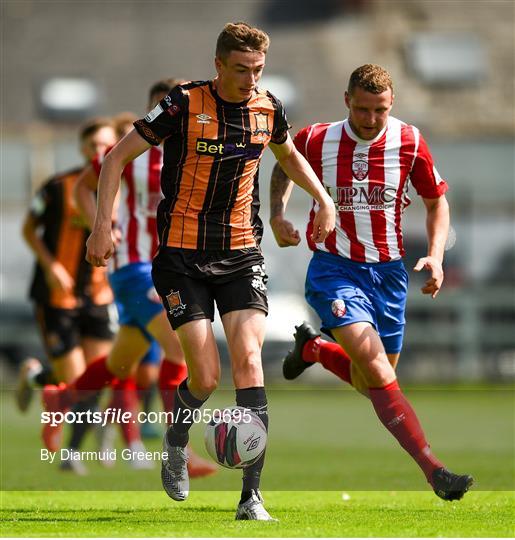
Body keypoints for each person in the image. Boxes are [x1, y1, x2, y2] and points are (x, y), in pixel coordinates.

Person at [44, 22, 335, 520]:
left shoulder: (269, 108)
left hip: (242, 254)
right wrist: (99, 229)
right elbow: (113, 159)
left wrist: (322, 200)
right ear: (218, 65)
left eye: (259, 70)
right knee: (203, 375)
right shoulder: (182, 103)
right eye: (241, 69)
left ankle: (251, 497)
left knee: (249, 362)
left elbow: (290, 156)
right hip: (181, 258)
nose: (250, 79)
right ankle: (175, 440)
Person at [269, 64, 473, 501]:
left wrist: (436, 258)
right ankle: (434, 470)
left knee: (371, 380)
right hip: (335, 270)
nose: (370, 118)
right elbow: (283, 161)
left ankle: (314, 349)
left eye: (379, 110)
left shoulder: (410, 140)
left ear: (391, 104)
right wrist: (278, 213)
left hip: (389, 275)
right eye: (362, 109)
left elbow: (438, 204)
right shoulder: (316, 138)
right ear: (347, 101)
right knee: (377, 368)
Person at [70, 79, 217, 477]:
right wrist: (101, 225)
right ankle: (178, 452)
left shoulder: (189, 154)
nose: (172, 114)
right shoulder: (133, 151)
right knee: (179, 349)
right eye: (164, 106)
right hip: (133, 269)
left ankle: (61, 398)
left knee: (120, 363)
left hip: (164, 269)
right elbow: (84, 186)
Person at [19, 118, 118, 474]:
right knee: (80, 384)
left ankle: (41, 382)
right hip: (57, 296)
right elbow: (29, 229)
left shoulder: (122, 187)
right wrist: (51, 266)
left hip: (100, 295)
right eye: (92, 146)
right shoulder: (58, 187)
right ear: (81, 149)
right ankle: (71, 451)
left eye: (106, 145)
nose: (99, 152)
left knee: (95, 382)